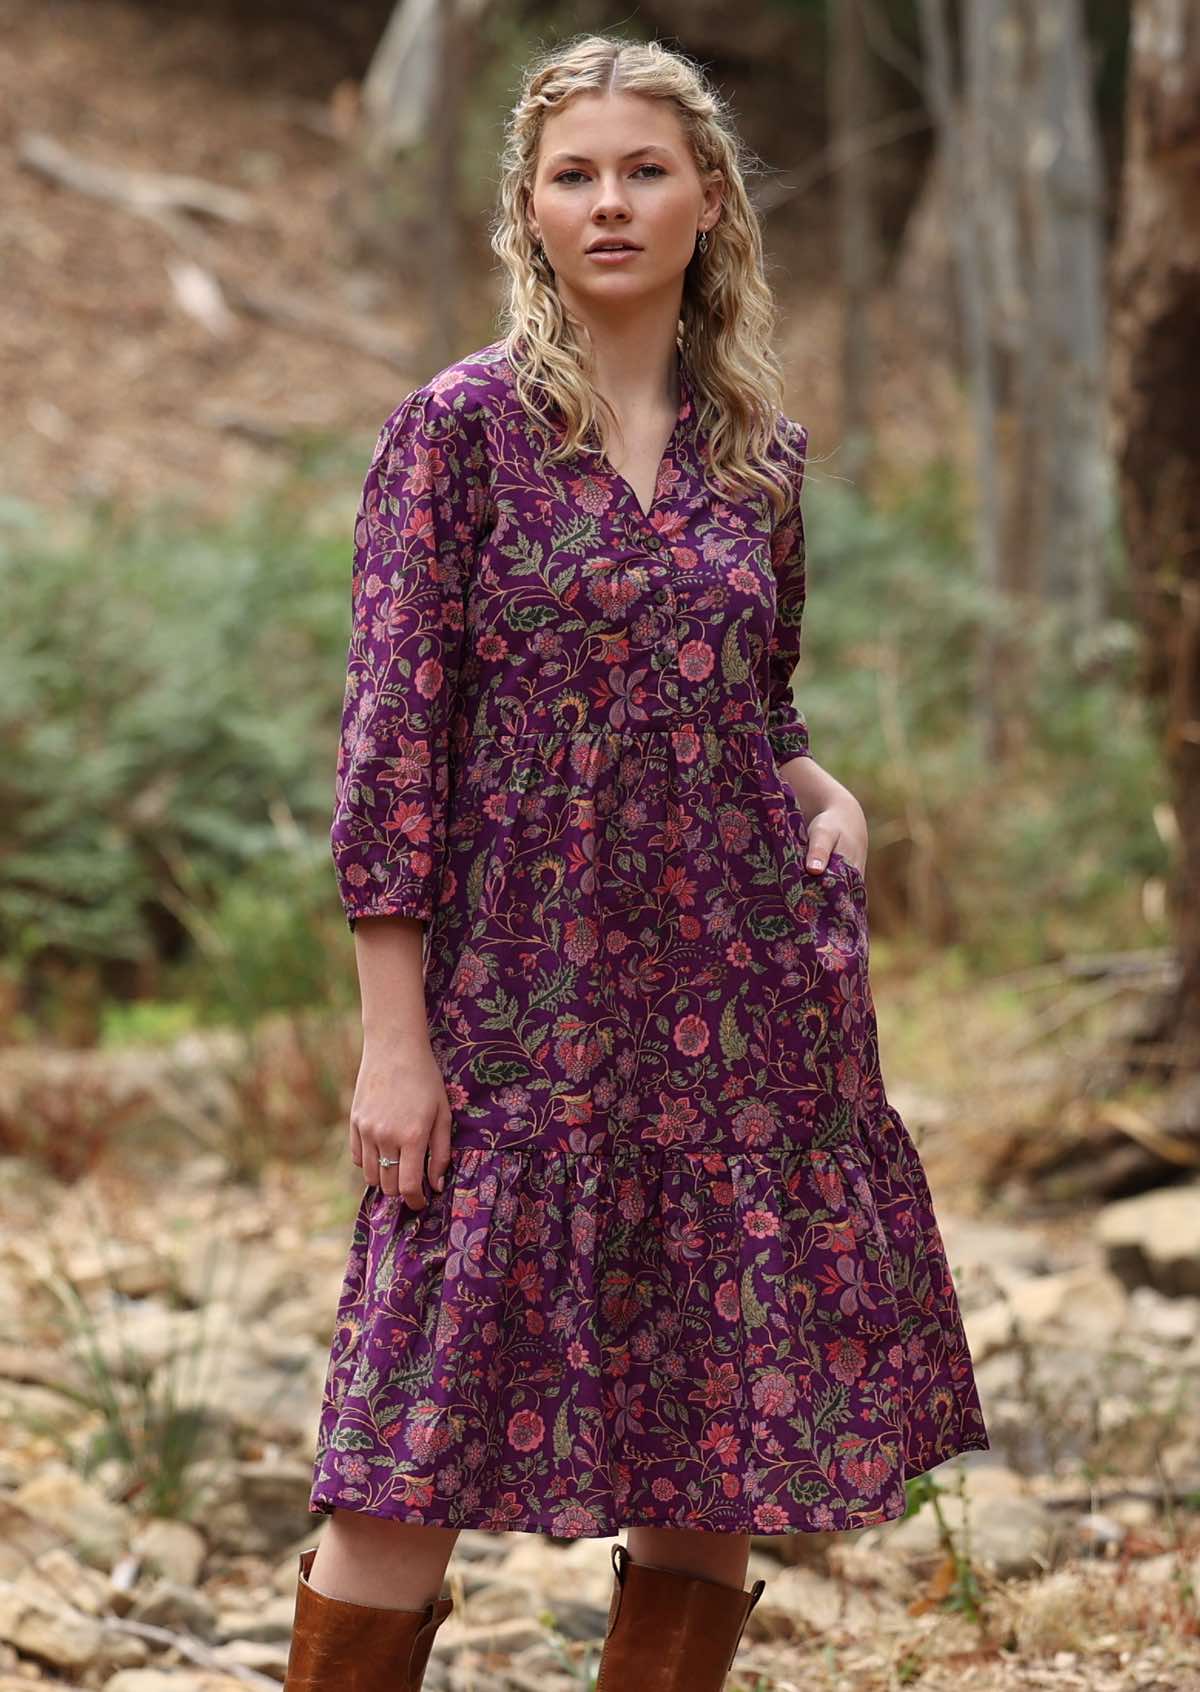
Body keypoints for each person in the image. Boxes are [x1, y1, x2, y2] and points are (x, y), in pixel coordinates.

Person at [282, 31, 991, 1692]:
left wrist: (823, 790)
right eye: (575, 174)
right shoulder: (454, 435)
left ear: (709, 199)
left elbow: (759, 690)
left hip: (731, 1012)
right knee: (401, 1452)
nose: (611, 201)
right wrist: (397, 1041)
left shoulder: (763, 454)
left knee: (714, 1446)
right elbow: (389, 750)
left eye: (645, 169)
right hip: (512, 1007)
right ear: (528, 211)